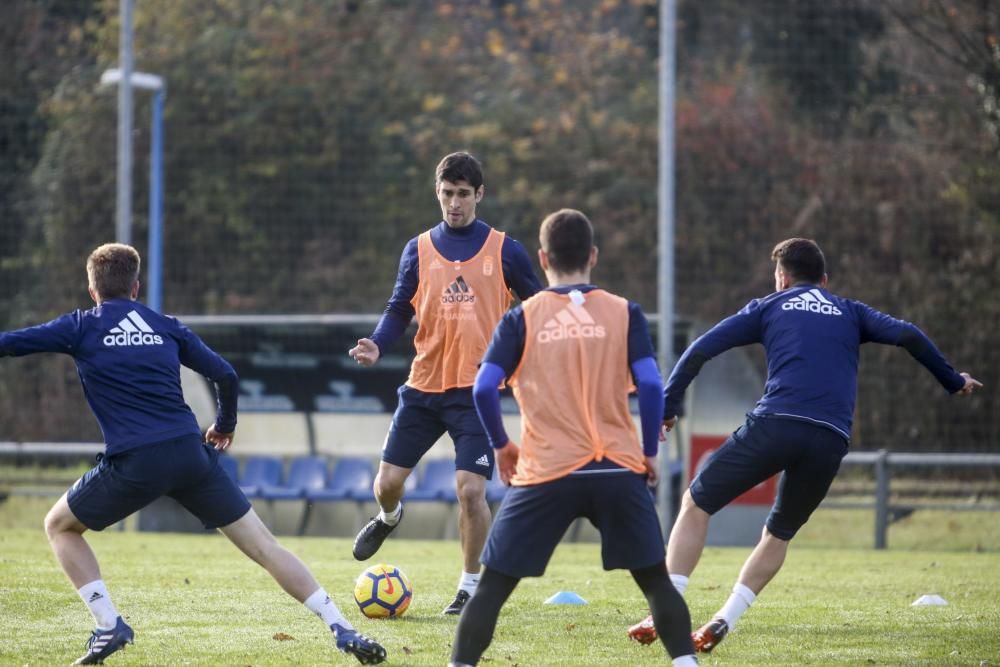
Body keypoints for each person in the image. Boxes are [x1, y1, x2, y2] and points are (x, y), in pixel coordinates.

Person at [0, 243, 386, 665]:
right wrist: (225, 425)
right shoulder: (165, 325)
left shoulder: (80, 326)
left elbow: (12, 343)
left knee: (59, 526)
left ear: (92, 291)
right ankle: (340, 626)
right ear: (136, 286)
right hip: (190, 456)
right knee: (264, 546)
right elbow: (225, 374)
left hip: (137, 462)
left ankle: (109, 624)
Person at [628, 237, 982, 652]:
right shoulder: (851, 311)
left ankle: (666, 609)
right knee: (777, 535)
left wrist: (669, 407)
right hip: (830, 438)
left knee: (696, 502)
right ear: (825, 280)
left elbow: (700, 350)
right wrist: (952, 380)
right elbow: (909, 334)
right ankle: (724, 619)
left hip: (776, 423)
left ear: (781, 277)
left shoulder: (768, 306)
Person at [449, 209, 699, 667]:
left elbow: (483, 387)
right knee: (656, 583)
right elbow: (649, 386)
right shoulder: (625, 312)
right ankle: (685, 663)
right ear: (593, 256)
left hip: (547, 470)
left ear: (542, 258)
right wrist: (646, 452)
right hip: (617, 468)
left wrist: (502, 445)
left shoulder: (522, 317)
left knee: (491, 589)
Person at [348, 151, 542, 615]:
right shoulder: (418, 249)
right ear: (437, 193)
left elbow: (540, 305)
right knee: (387, 484)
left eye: (462, 194)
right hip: (423, 388)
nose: (453, 203)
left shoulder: (504, 250)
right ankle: (389, 517)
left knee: (470, 489)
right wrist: (378, 343)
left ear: (479, 195)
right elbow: (399, 307)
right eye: (446, 194)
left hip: (477, 394)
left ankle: (470, 587)